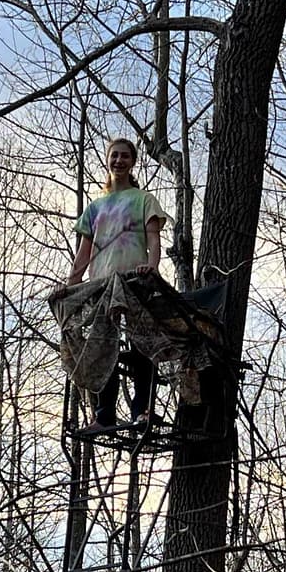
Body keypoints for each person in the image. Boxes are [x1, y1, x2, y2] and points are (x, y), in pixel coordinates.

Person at [62, 137, 170, 427]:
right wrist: (70, 285)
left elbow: (153, 238)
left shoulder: (143, 200)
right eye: (114, 155)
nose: (119, 161)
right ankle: (104, 414)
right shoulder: (95, 207)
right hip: (102, 286)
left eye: (125, 156)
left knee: (142, 346)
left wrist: (152, 267)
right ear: (107, 160)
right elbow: (83, 253)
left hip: (135, 282)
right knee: (102, 345)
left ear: (132, 162)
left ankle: (142, 410)